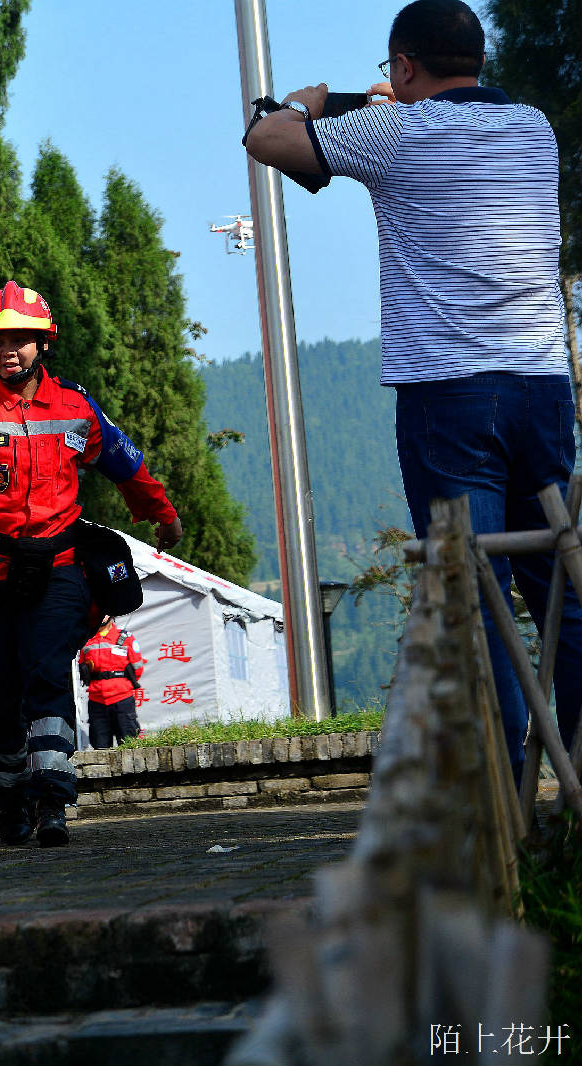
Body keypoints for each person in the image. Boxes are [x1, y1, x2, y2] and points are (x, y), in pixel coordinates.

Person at [244, 0, 579, 781]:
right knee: (562, 580)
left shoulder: (395, 131)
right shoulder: (535, 128)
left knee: (473, 592)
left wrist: (313, 103)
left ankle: (507, 796)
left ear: (402, 66)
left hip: (449, 397)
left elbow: (266, 138)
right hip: (542, 387)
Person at [0, 280, 182, 848]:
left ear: (44, 343)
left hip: (58, 564)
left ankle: (53, 802)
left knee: (46, 671)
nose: (8, 350)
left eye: (20, 339)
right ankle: (12, 800)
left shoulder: (74, 406)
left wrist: (161, 512)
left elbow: (123, 461)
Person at [78, 618, 145, 749]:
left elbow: (138, 668)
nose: (102, 616)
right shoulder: (86, 640)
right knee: (100, 748)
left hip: (122, 699)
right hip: (97, 700)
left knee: (129, 745)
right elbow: (81, 667)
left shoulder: (124, 638)